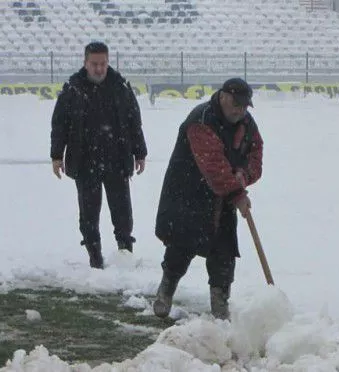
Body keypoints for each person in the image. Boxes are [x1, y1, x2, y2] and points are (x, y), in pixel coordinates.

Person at [153, 78, 263, 320]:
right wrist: (236, 193)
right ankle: (166, 289)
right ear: (223, 96)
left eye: (244, 106)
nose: (240, 110)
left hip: (222, 199)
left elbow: (256, 155)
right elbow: (212, 164)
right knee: (180, 248)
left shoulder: (246, 122)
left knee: (223, 253)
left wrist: (243, 175)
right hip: (188, 194)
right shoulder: (201, 120)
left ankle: (220, 306)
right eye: (236, 104)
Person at [50, 41, 147, 269]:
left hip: (117, 158)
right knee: (89, 213)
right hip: (85, 161)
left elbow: (134, 121)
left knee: (122, 211)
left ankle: (125, 252)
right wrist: (56, 155)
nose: (99, 68)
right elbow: (59, 125)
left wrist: (140, 152)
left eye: (103, 63)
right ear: (85, 63)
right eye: (94, 64)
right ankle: (95, 255)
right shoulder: (73, 88)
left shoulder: (120, 86)